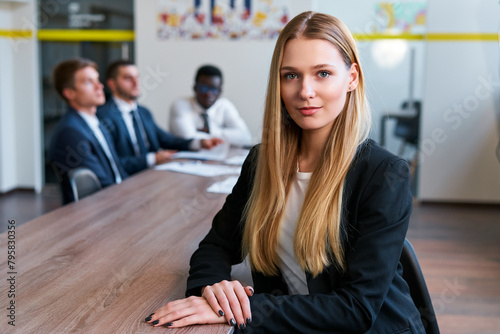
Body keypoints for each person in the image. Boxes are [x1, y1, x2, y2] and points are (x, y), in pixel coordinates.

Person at [146, 11, 425, 333]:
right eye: (290, 75)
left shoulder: (384, 174)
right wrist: (213, 287)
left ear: (351, 78)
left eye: (322, 73)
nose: (305, 91)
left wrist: (242, 310)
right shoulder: (262, 162)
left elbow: (356, 309)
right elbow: (216, 245)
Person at [97, 60, 223, 175]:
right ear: (112, 84)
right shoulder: (104, 116)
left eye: (137, 77)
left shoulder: (143, 112)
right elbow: (113, 163)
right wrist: (152, 158)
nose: (136, 83)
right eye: (128, 78)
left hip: (151, 175)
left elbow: (168, 140)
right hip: (127, 180)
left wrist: (200, 142)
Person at [49, 58, 128, 205]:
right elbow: (102, 186)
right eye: (88, 82)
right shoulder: (71, 132)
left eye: (97, 80)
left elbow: (117, 170)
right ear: (69, 93)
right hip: (99, 213)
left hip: (116, 202)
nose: (99, 86)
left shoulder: (97, 122)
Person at [169, 64, 252, 147]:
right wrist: (227, 136)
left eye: (214, 89)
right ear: (195, 88)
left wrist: (210, 131)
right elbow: (187, 137)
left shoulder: (225, 106)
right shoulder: (181, 105)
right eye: (203, 88)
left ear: (220, 91)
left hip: (219, 158)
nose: (208, 94)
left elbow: (245, 137)